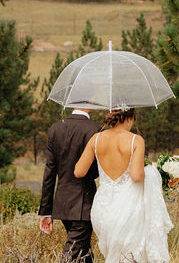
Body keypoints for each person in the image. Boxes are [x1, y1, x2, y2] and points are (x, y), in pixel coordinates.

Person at [74, 106, 173, 263]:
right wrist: (151, 170)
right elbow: (136, 176)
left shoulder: (96, 139)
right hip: (129, 206)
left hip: (103, 206)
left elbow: (79, 171)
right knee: (130, 255)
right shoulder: (135, 140)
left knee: (112, 253)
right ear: (129, 118)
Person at [39, 107, 100, 263]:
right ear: (90, 99)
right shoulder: (95, 130)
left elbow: (49, 172)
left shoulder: (55, 129)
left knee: (84, 254)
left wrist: (46, 211)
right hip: (84, 203)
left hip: (63, 204)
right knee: (72, 254)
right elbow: (95, 172)